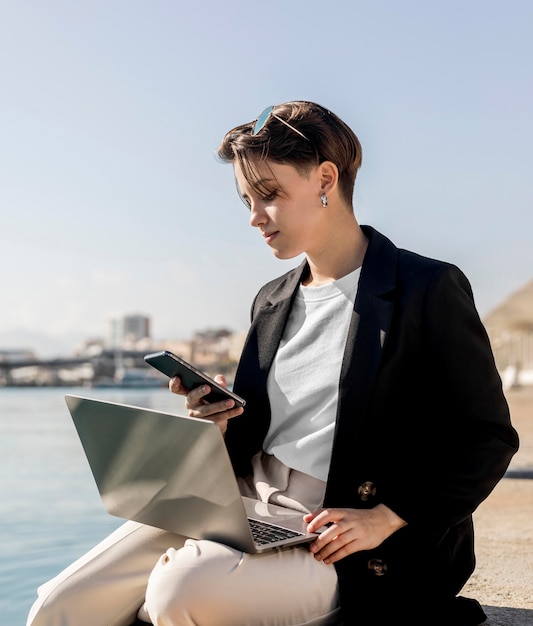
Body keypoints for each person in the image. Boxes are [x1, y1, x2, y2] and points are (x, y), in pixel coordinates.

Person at [27, 101, 519, 626]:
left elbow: (488, 436)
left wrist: (386, 517)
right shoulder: (271, 300)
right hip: (240, 505)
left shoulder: (426, 288)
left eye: (269, 195)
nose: (255, 217)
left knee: (176, 594)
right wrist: (213, 426)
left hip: (341, 538)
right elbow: (258, 435)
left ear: (325, 178)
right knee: (61, 605)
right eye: (247, 200)